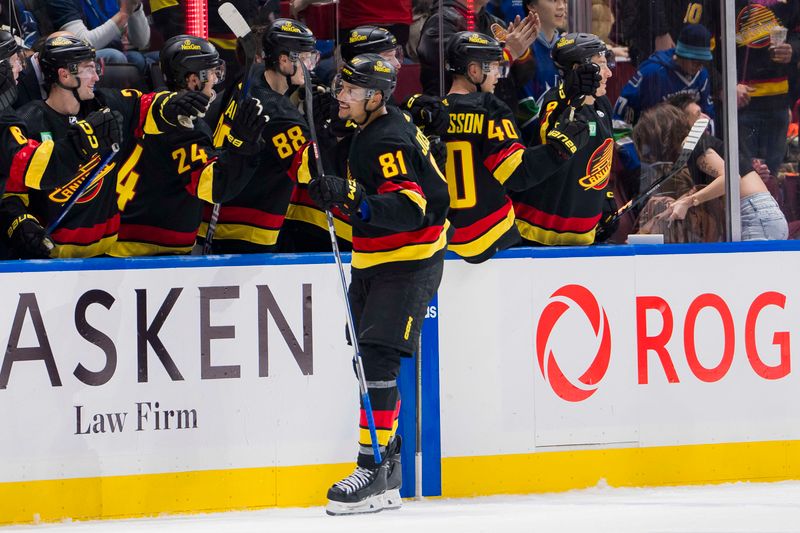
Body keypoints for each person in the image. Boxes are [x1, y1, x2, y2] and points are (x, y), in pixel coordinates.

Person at [308, 53, 450, 515]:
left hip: (408, 261)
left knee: (377, 358)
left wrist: (355, 201)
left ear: (375, 95)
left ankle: (371, 467)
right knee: (368, 360)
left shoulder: (385, 138)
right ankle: (387, 465)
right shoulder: (374, 127)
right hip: (375, 258)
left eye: (349, 91)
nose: (339, 96)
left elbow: (409, 205)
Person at [0, 35, 209, 258]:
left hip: (107, 258)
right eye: (88, 68)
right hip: (53, 258)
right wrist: (21, 222)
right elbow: (13, 193)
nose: (96, 76)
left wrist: (170, 105)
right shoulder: (29, 120)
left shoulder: (104, 104)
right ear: (64, 74)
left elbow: (144, 106)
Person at [109, 35, 268, 257]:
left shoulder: (153, 106)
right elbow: (213, 186)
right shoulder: (184, 126)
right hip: (151, 251)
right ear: (193, 80)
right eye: (212, 72)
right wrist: (242, 147)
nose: (216, 79)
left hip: (122, 239)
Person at [442, 31, 594, 262]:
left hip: (444, 241)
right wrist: (560, 150)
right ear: (473, 71)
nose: (497, 75)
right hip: (492, 239)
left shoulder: (431, 112)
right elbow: (517, 175)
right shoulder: (489, 108)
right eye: (493, 68)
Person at [202, 18, 319, 254]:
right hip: (250, 228)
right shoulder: (280, 114)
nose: (311, 66)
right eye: (306, 58)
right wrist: (328, 132)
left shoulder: (249, 75)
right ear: (284, 60)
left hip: (213, 215)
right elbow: (310, 171)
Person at [512, 32, 617, 246]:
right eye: (601, 65)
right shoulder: (556, 102)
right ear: (579, 69)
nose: (609, 73)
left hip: (583, 237)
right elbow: (547, 137)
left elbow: (602, 157)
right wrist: (569, 96)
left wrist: (605, 198)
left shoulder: (603, 104)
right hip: (538, 234)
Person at [635, 103, 788, 241]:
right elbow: (704, 188)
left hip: (754, 216)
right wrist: (675, 207)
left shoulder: (690, 144)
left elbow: (730, 179)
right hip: (759, 216)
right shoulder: (695, 147)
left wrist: (688, 201)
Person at [417, 0, 538, 101]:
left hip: (498, 119)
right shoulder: (440, 23)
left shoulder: (495, 23)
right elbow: (468, 73)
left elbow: (518, 79)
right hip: (453, 121)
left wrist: (521, 52)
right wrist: (510, 53)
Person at [736, 0, 800, 180]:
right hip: (742, 102)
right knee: (744, 177)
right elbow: (713, 46)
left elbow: (797, 35)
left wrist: (792, 50)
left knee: (770, 178)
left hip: (778, 101)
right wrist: (724, 86)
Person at [613, 23, 715, 128]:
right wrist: (626, 143)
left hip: (688, 141)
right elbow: (622, 111)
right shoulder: (651, 72)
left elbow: (708, 115)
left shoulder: (702, 75)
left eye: (702, 62)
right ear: (681, 55)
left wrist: (706, 140)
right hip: (649, 138)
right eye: (694, 61)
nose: (698, 67)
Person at [45, 0, 154, 72]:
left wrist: (135, 8)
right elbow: (82, 43)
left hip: (117, 50)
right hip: (75, 58)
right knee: (116, 56)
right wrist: (123, 14)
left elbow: (141, 42)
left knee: (158, 57)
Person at [516, 0, 567, 142]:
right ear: (531, 5)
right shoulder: (521, 51)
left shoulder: (569, 47)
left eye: (564, 0)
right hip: (532, 152)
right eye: (553, 0)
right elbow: (525, 113)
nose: (562, 6)